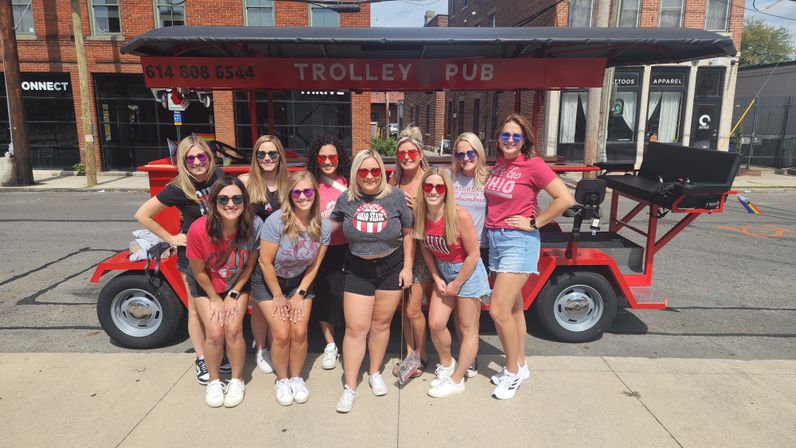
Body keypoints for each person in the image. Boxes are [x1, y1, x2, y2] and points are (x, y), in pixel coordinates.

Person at [484, 114, 574, 400]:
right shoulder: (498, 165)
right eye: (506, 135)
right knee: (513, 309)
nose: (510, 141)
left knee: (497, 310)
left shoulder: (533, 165)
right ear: (498, 138)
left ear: (525, 141)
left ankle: (511, 374)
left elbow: (565, 199)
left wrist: (535, 222)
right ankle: (520, 365)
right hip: (497, 240)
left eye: (516, 136)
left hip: (518, 242)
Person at [134, 135, 227, 385]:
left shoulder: (218, 176)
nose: (197, 162)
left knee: (218, 306)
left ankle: (218, 351)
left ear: (209, 157)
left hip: (220, 255)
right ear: (183, 161)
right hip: (193, 256)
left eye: (201, 156)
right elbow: (142, 214)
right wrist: (171, 238)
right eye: (191, 158)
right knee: (196, 309)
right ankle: (201, 357)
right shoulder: (178, 188)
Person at [330, 149, 414, 413]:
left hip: (391, 267)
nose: (369, 176)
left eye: (374, 170)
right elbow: (328, 227)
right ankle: (350, 387)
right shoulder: (347, 198)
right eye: (363, 171)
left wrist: (408, 267)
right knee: (356, 328)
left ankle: (375, 372)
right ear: (356, 173)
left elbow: (409, 232)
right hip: (357, 268)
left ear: (381, 171)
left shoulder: (397, 197)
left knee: (381, 324)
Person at [251, 171, 330, 406]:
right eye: (297, 192)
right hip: (269, 282)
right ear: (290, 195)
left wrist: (300, 294)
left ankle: (296, 378)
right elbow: (265, 262)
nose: (302, 196)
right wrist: (277, 296)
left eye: (308, 191)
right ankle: (282, 380)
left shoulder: (322, 226)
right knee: (282, 333)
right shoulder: (277, 221)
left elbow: (315, 266)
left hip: (299, 282)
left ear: (315, 194)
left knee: (299, 332)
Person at [414, 168, 491, 398]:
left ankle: (457, 380)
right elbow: (426, 249)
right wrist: (436, 277)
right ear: (423, 189)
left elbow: (474, 254)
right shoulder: (422, 215)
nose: (434, 191)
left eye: (440, 187)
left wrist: (457, 283)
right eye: (429, 187)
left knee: (468, 329)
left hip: (467, 272)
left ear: (447, 190)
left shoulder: (459, 215)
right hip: (443, 270)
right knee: (436, 324)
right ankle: (447, 364)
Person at [186, 176, 261, 408]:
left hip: (237, 283)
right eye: (224, 199)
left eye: (237, 198)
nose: (231, 204)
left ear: (245, 201)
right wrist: (214, 299)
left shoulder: (254, 225)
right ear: (214, 203)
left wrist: (234, 293)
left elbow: (250, 264)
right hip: (207, 285)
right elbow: (198, 271)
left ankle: (237, 380)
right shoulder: (199, 229)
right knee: (215, 332)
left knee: (234, 329)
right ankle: (215, 381)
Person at [239, 135, 288, 376]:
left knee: (276, 306)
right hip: (256, 254)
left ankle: (273, 345)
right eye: (261, 154)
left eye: (272, 154)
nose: (267, 159)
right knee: (259, 306)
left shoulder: (288, 183)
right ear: (255, 157)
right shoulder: (245, 182)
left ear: (280, 156)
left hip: (284, 256)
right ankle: (261, 348)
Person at [305, 135, 351, 370]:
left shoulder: (351, 181)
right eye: (322, 157)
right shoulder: (310, 183)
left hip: (350, 247)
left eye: (332, 156)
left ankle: (350, 342)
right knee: (327, 296)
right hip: (322, 250)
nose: (327, 161)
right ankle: (330, 345)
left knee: (348, 298)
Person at [389, 126, 430, 377]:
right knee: (403, 308)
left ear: (420, 153)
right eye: (402, 153)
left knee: (414, 308)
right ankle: (408, 354)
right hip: (399, 250)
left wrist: (420, 210)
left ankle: (422, 354)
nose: (406, 157)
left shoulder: (430, 179)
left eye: (411, 152)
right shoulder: (395, 179)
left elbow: (443, 216)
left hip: (423, 253)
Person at [450, 131, 490, 378]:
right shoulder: (450, 178)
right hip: (453, 248)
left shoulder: (489, 180)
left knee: (471, 311)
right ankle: (464, 352)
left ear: (478, 153)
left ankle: (470, 359)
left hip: (478, 250)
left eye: (470, 153)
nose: (465, 157)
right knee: (458, 308)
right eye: (460, 153)